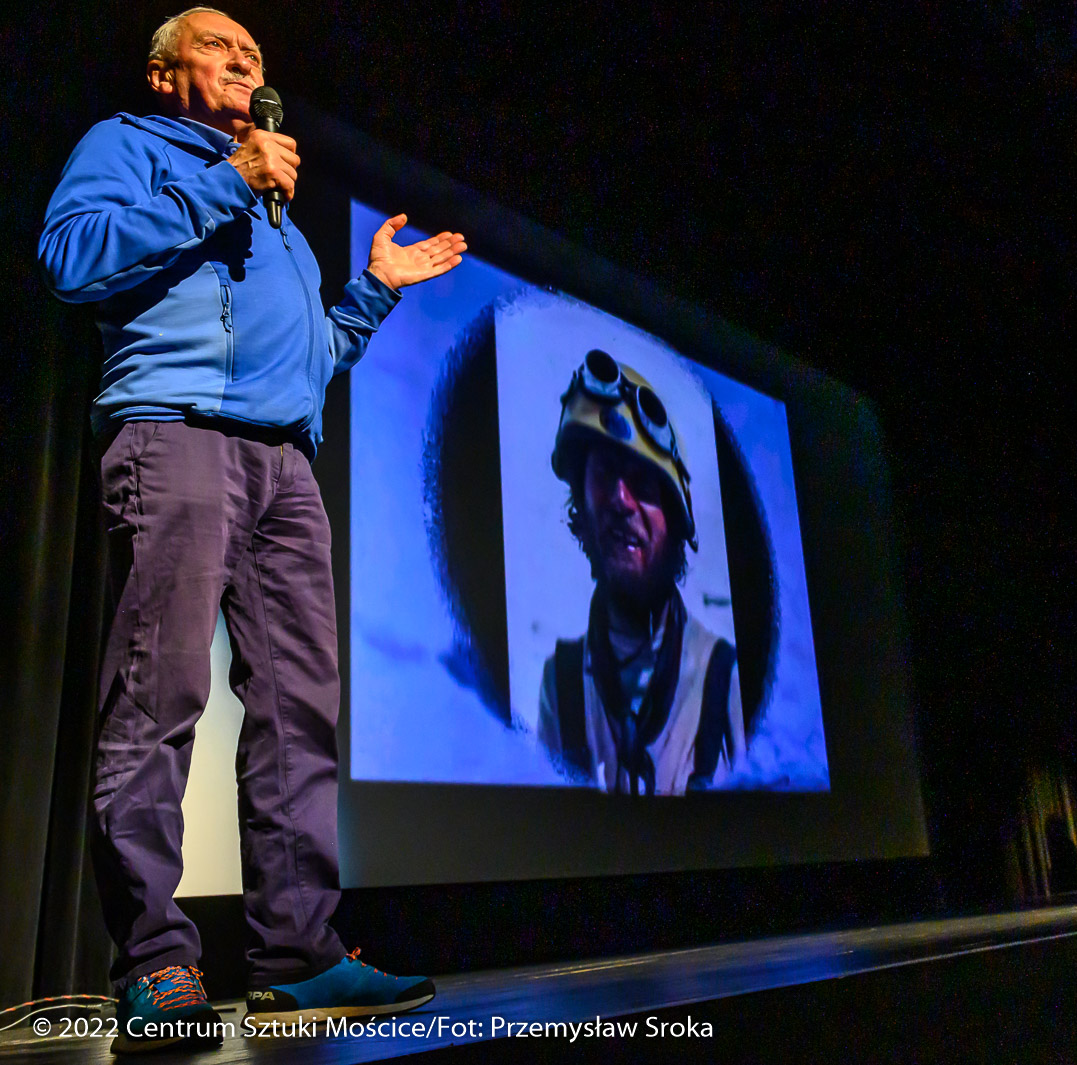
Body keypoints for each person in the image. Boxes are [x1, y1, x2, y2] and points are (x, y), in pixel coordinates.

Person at [37, 7, 465, 1053]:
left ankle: (299, 954)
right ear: (163, 73)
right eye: (219, 49)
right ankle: (157, 962)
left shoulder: (278, 216)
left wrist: (372, 293)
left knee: (298, 711)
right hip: (174, 434)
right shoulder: (131, 146)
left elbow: (312, 359)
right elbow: (71, 258)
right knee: (158, 698)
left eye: (255, 55)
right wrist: (228, 181)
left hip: (285, 466)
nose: (244, 62)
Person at [520, 349, 745, 795]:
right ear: (582, 503)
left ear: (675, 518)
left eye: (642, 482)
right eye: (604, 474)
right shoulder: (559, 686)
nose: (621, 501)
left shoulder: (725, 679)